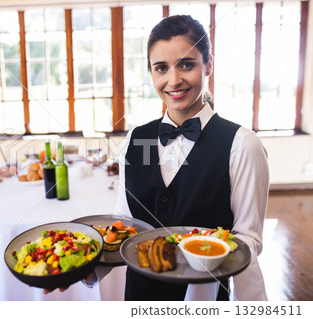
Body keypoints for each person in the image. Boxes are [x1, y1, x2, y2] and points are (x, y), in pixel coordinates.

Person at [113, 15, 269, 301]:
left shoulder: (242, 144)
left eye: (187, 64)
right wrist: (89, 268)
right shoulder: (138, 138)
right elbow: (126, 224)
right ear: (151, 73)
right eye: (161, 68)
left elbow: (248, 240)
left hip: (204, 295)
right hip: (139, 294)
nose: (173, 80)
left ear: (209, 64)